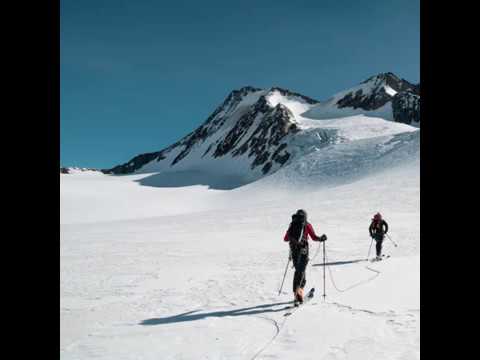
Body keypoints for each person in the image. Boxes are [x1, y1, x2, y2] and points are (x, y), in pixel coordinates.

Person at [283, 209, 327, 303]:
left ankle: (296, 292)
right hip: (304, 250)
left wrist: (294, 241)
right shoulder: (306, 224)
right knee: (301, 271)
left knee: (298, 271)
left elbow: (286, 239)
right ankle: (299, 291)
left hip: (294, 250)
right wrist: (321, 239)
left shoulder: (292, 224)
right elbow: (314, 237)